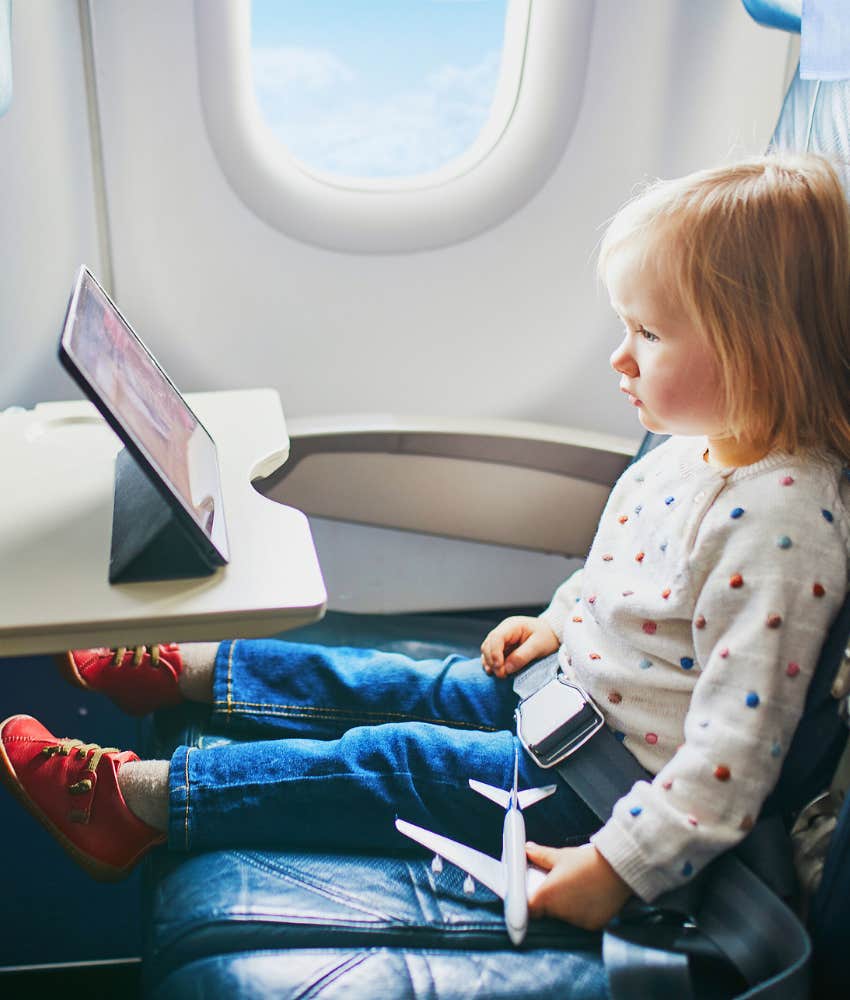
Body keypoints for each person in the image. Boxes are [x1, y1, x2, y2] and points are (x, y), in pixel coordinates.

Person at [3, 153, 850, 933]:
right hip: (571, 703)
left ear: (760, 351)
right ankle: (179, 671)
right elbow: (631, 570)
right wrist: (560, 621)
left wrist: (619, 869)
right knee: (393, 682)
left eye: (651, 336)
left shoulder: (782, 528)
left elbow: (733, 756)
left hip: (606, 791)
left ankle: (134, 806)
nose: (619, 359)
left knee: (393, 759)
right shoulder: (697, 446)